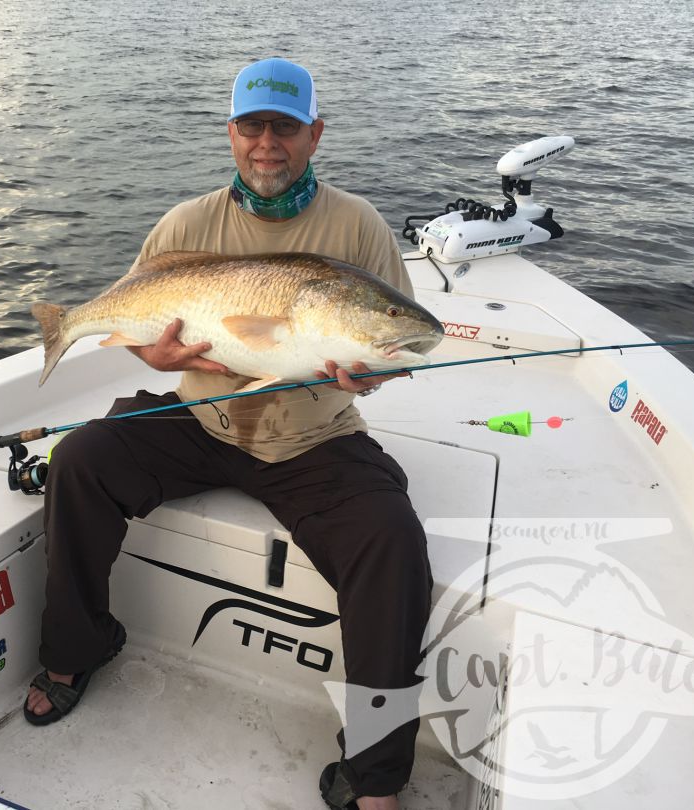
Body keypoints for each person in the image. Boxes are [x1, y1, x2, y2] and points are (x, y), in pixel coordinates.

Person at [23, 57, 432, 810]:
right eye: (253, 126)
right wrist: (150, 351)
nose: (267, 145)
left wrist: (373, 373)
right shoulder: (186, 223)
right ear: (232, 132)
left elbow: (397, 343)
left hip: (313, 436)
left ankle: (374, 775)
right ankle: (78, 649)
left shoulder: (359, 226)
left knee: (393, 542)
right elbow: (139, 318)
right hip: (203, 418)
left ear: (316, 133)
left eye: (284, 128)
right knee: (80, 461)